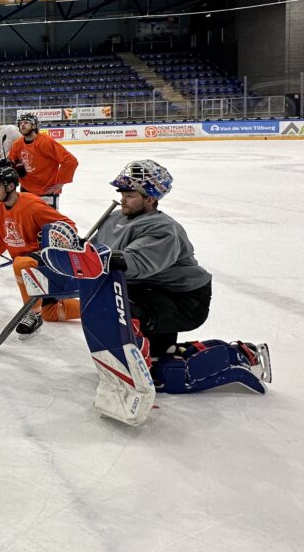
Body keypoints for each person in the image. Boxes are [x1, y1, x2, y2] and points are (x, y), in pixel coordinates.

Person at [93, 160, 270, 392]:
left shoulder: (163, 229)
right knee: (113, 302)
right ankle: (159, 353)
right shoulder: (116, 218)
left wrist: (100, 258)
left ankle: (236, 355)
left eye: (130, 195)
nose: (123, 199)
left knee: (123, 308)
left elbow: (135, 263)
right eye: (122, 194)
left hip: (183, 300)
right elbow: (93, 250)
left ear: (150, 199)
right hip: (150, 290)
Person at [0, 164, 78, 338]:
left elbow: (69, 226)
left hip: (46, 262)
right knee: (51, 312)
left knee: (21, 263)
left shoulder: (32, 206)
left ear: (10, 186)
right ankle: (98, 307)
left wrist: (50, 236)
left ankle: (33, 314)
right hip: (28, 267)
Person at [7, 113, 78, 209]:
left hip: (47, 191)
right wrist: (13, 165)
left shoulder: (46, 142)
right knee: (27, 218)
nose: (22, 125)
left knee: (48, 218)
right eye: (20, 123)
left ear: (34, 126)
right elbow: (12, 160)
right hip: (26, 190)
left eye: (26, 122)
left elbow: (70, 161)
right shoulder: (17, 144)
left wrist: (60, 183)